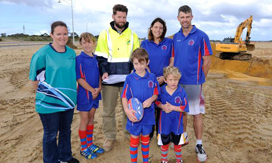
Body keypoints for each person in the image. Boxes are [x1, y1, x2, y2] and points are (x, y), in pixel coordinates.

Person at [29, 21, 79, 163]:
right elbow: (34, 81)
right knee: (51, 134)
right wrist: (47, 94)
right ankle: (51, 160)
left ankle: (65, 157)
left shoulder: (71, 53)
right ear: (52, 35)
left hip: (68, 102)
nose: (62, 37)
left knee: (65, 131)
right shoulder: (42, 54)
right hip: (49, 103)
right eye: (58, 34)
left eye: (65, 34)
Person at [95, 4, 140, 152]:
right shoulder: (104, 34)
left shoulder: (133, 35)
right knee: (108, 111)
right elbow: (101, 56)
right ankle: (110, 137)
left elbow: (137, 57)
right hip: (110, 81)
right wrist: (104, 71)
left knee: (128, 108)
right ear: (113, 16)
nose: (121, 19)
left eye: (124, 17)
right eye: (119, 16)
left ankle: (129, 134)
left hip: (128, 80)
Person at [172, 5, 213, 162]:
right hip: (178, 84)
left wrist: (200, 78)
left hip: (194, 83)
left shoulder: (201, 36)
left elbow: (207, 61)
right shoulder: (176, 37)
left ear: (192, 17)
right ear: (178, 18)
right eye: (182, 17)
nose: (184, 20)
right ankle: (183, 136)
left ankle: (199, 144)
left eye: (187, 16)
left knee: (196, 114)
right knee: (182, 111)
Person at [121, 48, 160, 163]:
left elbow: (156, 93)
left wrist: (151, 99)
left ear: (147, 62)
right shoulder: (129, 78)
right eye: (136, 63)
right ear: (132, 63)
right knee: (134, 138)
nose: (138, 66)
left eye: (141, 63)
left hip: (148, 115)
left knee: (145, 139)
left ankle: (145, 161)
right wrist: (127, 111)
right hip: (134, 115)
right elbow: (124, 96)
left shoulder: (152, 77)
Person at [141, 17, 174, 139]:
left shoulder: (169, 43)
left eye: (161, 28)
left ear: (164, 29)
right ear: (151, 28)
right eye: (156, 27)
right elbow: (142, 61)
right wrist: (152, 77)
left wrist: (164, 77)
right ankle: (148, 135)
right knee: (149, 108)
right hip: (149, 81)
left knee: (163, 109)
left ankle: (162, 136)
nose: (158, 30)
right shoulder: (144, 43)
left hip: (164, 81)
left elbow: (172, 60)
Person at [76, 32, 104, 159]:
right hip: (85, 95)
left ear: (94, 43)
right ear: (81, 44)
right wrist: (92, 90)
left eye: (89, 42)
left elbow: (99, 75)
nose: (87, 45)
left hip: (95, 93)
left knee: (92, 118)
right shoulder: (79, 59)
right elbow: (80, 79)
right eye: (84, 42)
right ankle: (83, 147)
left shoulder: (96, 58)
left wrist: (98, 89)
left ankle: (90, 143)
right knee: (84, 119)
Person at [156, 66, 189, 163]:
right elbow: (156, 102)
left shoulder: (181, 92)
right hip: (164, 124)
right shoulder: (161, 91)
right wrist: (162, 106)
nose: (173, 82)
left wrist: (173, 107)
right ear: (165, 80)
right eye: (170, 80)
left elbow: (185, 107)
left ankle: (179, 160)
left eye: (176, 80)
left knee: (177, 144)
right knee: (164, 144)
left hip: (177, 125)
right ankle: (164, 160)